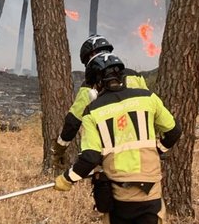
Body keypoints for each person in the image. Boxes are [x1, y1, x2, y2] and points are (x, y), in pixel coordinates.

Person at [54, 52, 181, 224]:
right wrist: (158, 150)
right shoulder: (148, 98)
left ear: (96, 82)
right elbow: (173, 132)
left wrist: (66, 179)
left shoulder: (93, 112)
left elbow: (89, 158)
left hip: (118, 192)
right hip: (150, 190)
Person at [52, 34, 147, 170]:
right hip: (143, 148)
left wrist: (59, 149)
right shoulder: (135, 75)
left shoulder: (90, 85)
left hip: (111, 151)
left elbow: (73, 121)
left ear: (91, 57)